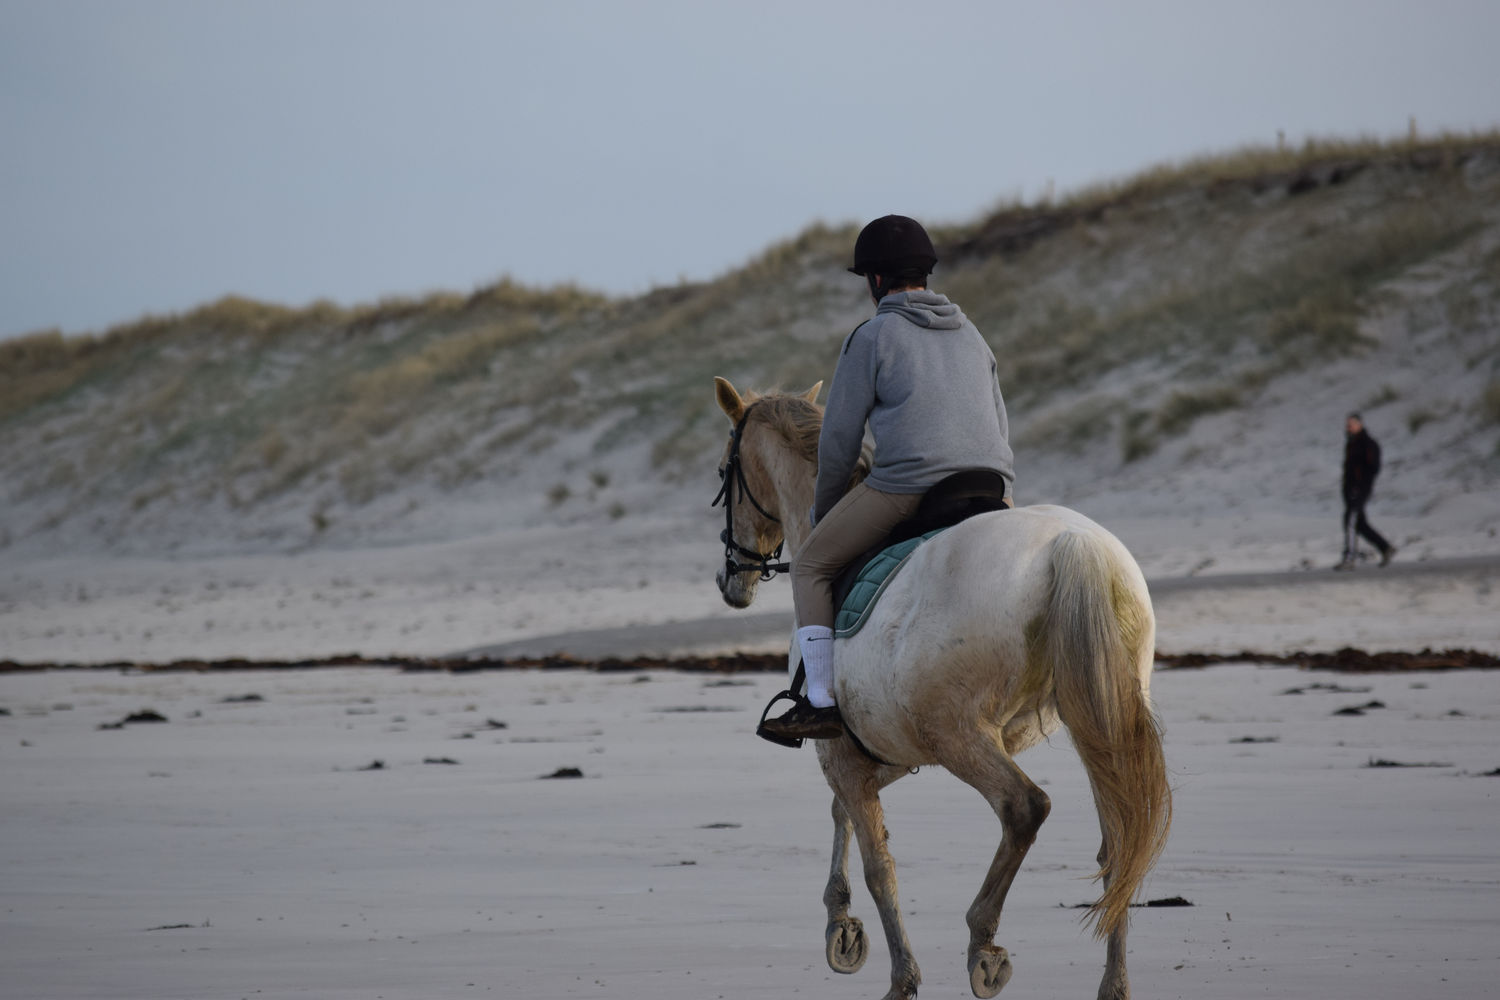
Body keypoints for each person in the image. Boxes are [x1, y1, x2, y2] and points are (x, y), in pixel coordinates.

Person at [760, 215, 1015, 742]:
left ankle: (820, 700)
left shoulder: (872, 336)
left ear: (875, 280)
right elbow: (1000, 424)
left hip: (911, 487)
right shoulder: (972, 334)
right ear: (925, 274)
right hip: (991, 486)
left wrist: (824, 512)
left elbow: (839, 445)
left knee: (809, 565)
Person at [1338, 412, 1394, 569]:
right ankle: (1385, 548)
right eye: (1347, 425)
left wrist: (1360, 485)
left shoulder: (1368, 443)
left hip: (1360, 489)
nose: (1347, 427)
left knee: (1350, 520)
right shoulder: (1351, 443)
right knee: (1359, 524)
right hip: (1350, 490)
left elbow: (1373, 468)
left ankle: (1349, 558)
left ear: (1359, 425)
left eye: (1350, 424)